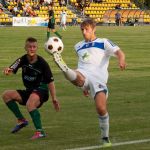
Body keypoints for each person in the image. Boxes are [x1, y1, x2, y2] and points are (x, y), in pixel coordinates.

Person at [48, 19, 126, 147]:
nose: (84, 32)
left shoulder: (103, 42)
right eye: (82, 30)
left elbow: (119, 52)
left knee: (101, 109)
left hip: (98, 80)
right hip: (83, 74)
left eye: (86, 29)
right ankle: (64, 68)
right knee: (76, 76)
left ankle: (105, 137)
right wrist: (84, 87)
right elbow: (82, 63)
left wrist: (121, 60)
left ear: (94, 29)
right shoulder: (78, 46)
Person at [2, 37, 60, 140]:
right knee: (6, 95)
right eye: (29, 47)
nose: (32, 49)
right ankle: (21, 120)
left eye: (34, 47)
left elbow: (50, 81)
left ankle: (40, 131)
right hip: (30, 91)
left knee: (30, 103)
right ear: (25, 47)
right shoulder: (22, 59)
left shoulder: (42, 63)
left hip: (41, 90)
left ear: (37, 48)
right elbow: (11, 69)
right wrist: (7, 71)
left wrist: (54, 98)